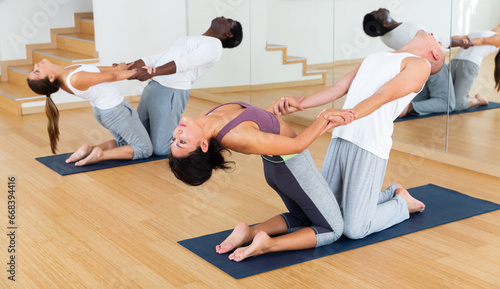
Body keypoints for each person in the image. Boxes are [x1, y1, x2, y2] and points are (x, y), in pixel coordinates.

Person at [277, 30, 444, 239]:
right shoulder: (377, 56)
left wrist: (348, 115)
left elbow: (383, 95)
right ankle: (391, 192)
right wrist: (300, 104)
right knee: (325, 212)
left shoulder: (420, 65)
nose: (431, 33)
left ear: (435, 54)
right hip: (342, 136)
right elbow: (338, 88)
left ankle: (402, 203)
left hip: (369, 144)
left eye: (437, 40)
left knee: (354, 229)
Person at [168, 100, 356, 261]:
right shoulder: (236, 137)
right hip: (292, 169)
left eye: (174, 140)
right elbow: (297, 145)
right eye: (182, 142)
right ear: (203, 145)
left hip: (280, 171)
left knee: (303, 219)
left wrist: (269, 113)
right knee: (333, 229)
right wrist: (326, 118)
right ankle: (268, 244)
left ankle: (248, 233)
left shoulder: (208, 114)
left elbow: (254, 126)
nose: (178, 133)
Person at [125, 16, 243, 156]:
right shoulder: (188, 39)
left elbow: (185, 63)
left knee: (161, 149)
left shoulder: (214, 45)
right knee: (141, 137)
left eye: (228, 21)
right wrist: (129, 66)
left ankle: (205, 140)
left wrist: (152, 72)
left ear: (229, 34)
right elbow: (157, 58)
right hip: (154, 86)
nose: (223, 17)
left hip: (172, 90)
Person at [27, 58, 153, 166]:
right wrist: (137, 73)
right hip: (115, 112)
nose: (36, 65)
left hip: (107, 111)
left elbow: (99, 70)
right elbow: (112, 77)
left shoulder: (68, 71)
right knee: (145, 149)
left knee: (123, 143)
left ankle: (89, 150)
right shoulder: (74, 78)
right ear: (51, 77)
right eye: (37, 71)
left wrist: (120, 68)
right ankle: (101, 155)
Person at [362, 8, 470, 117]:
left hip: (415, 68)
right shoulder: (409, 29)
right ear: (385, 23)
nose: (380, 9)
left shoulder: (384, 38)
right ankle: (409, 108)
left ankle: (410, 106)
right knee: (448, 104)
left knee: (426, 96)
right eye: (379, 13)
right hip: (433, 64)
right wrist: (462, 43)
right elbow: (438, 42)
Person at [450, 25, 500, 111]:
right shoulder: (485, 32)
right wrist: (441, 40)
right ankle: (465, 95)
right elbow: (462, 37)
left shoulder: (498, 37)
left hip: (469, 64)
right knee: (444, 97)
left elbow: (483, 41)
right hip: (454, 61)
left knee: (457, 105)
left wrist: (466, 42)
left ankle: (478, 100)